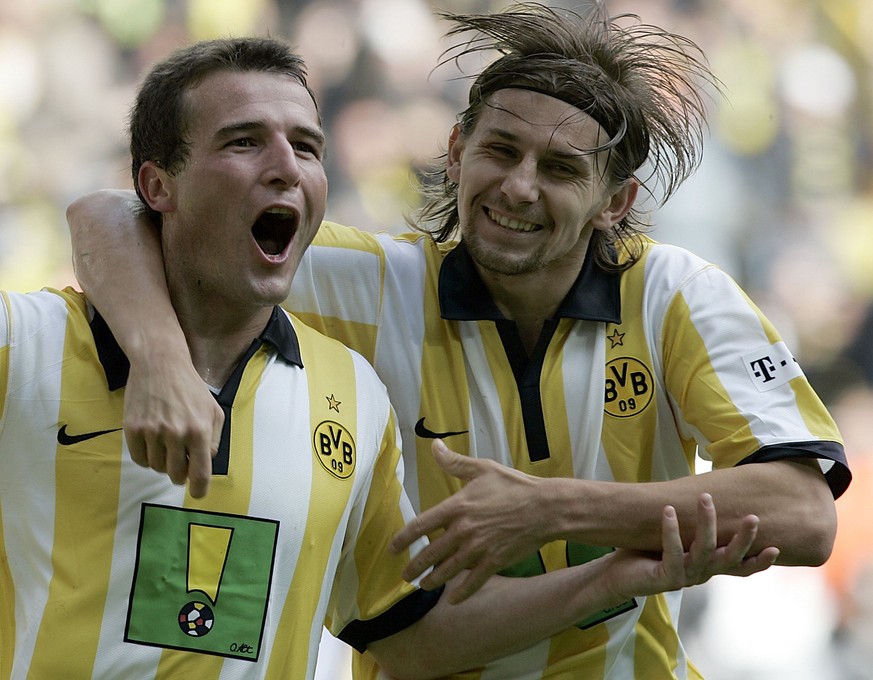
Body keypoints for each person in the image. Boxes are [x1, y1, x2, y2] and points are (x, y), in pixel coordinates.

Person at [65, 4, 849, 679]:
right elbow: (113, 214)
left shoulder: (675, 295)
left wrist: (547, 511)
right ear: (455, 153)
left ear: (615, 202)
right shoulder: (372, 283)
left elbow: (803, 515)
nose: (517, 186)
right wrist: (161, 361)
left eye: (560, 168)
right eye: (500, 151)